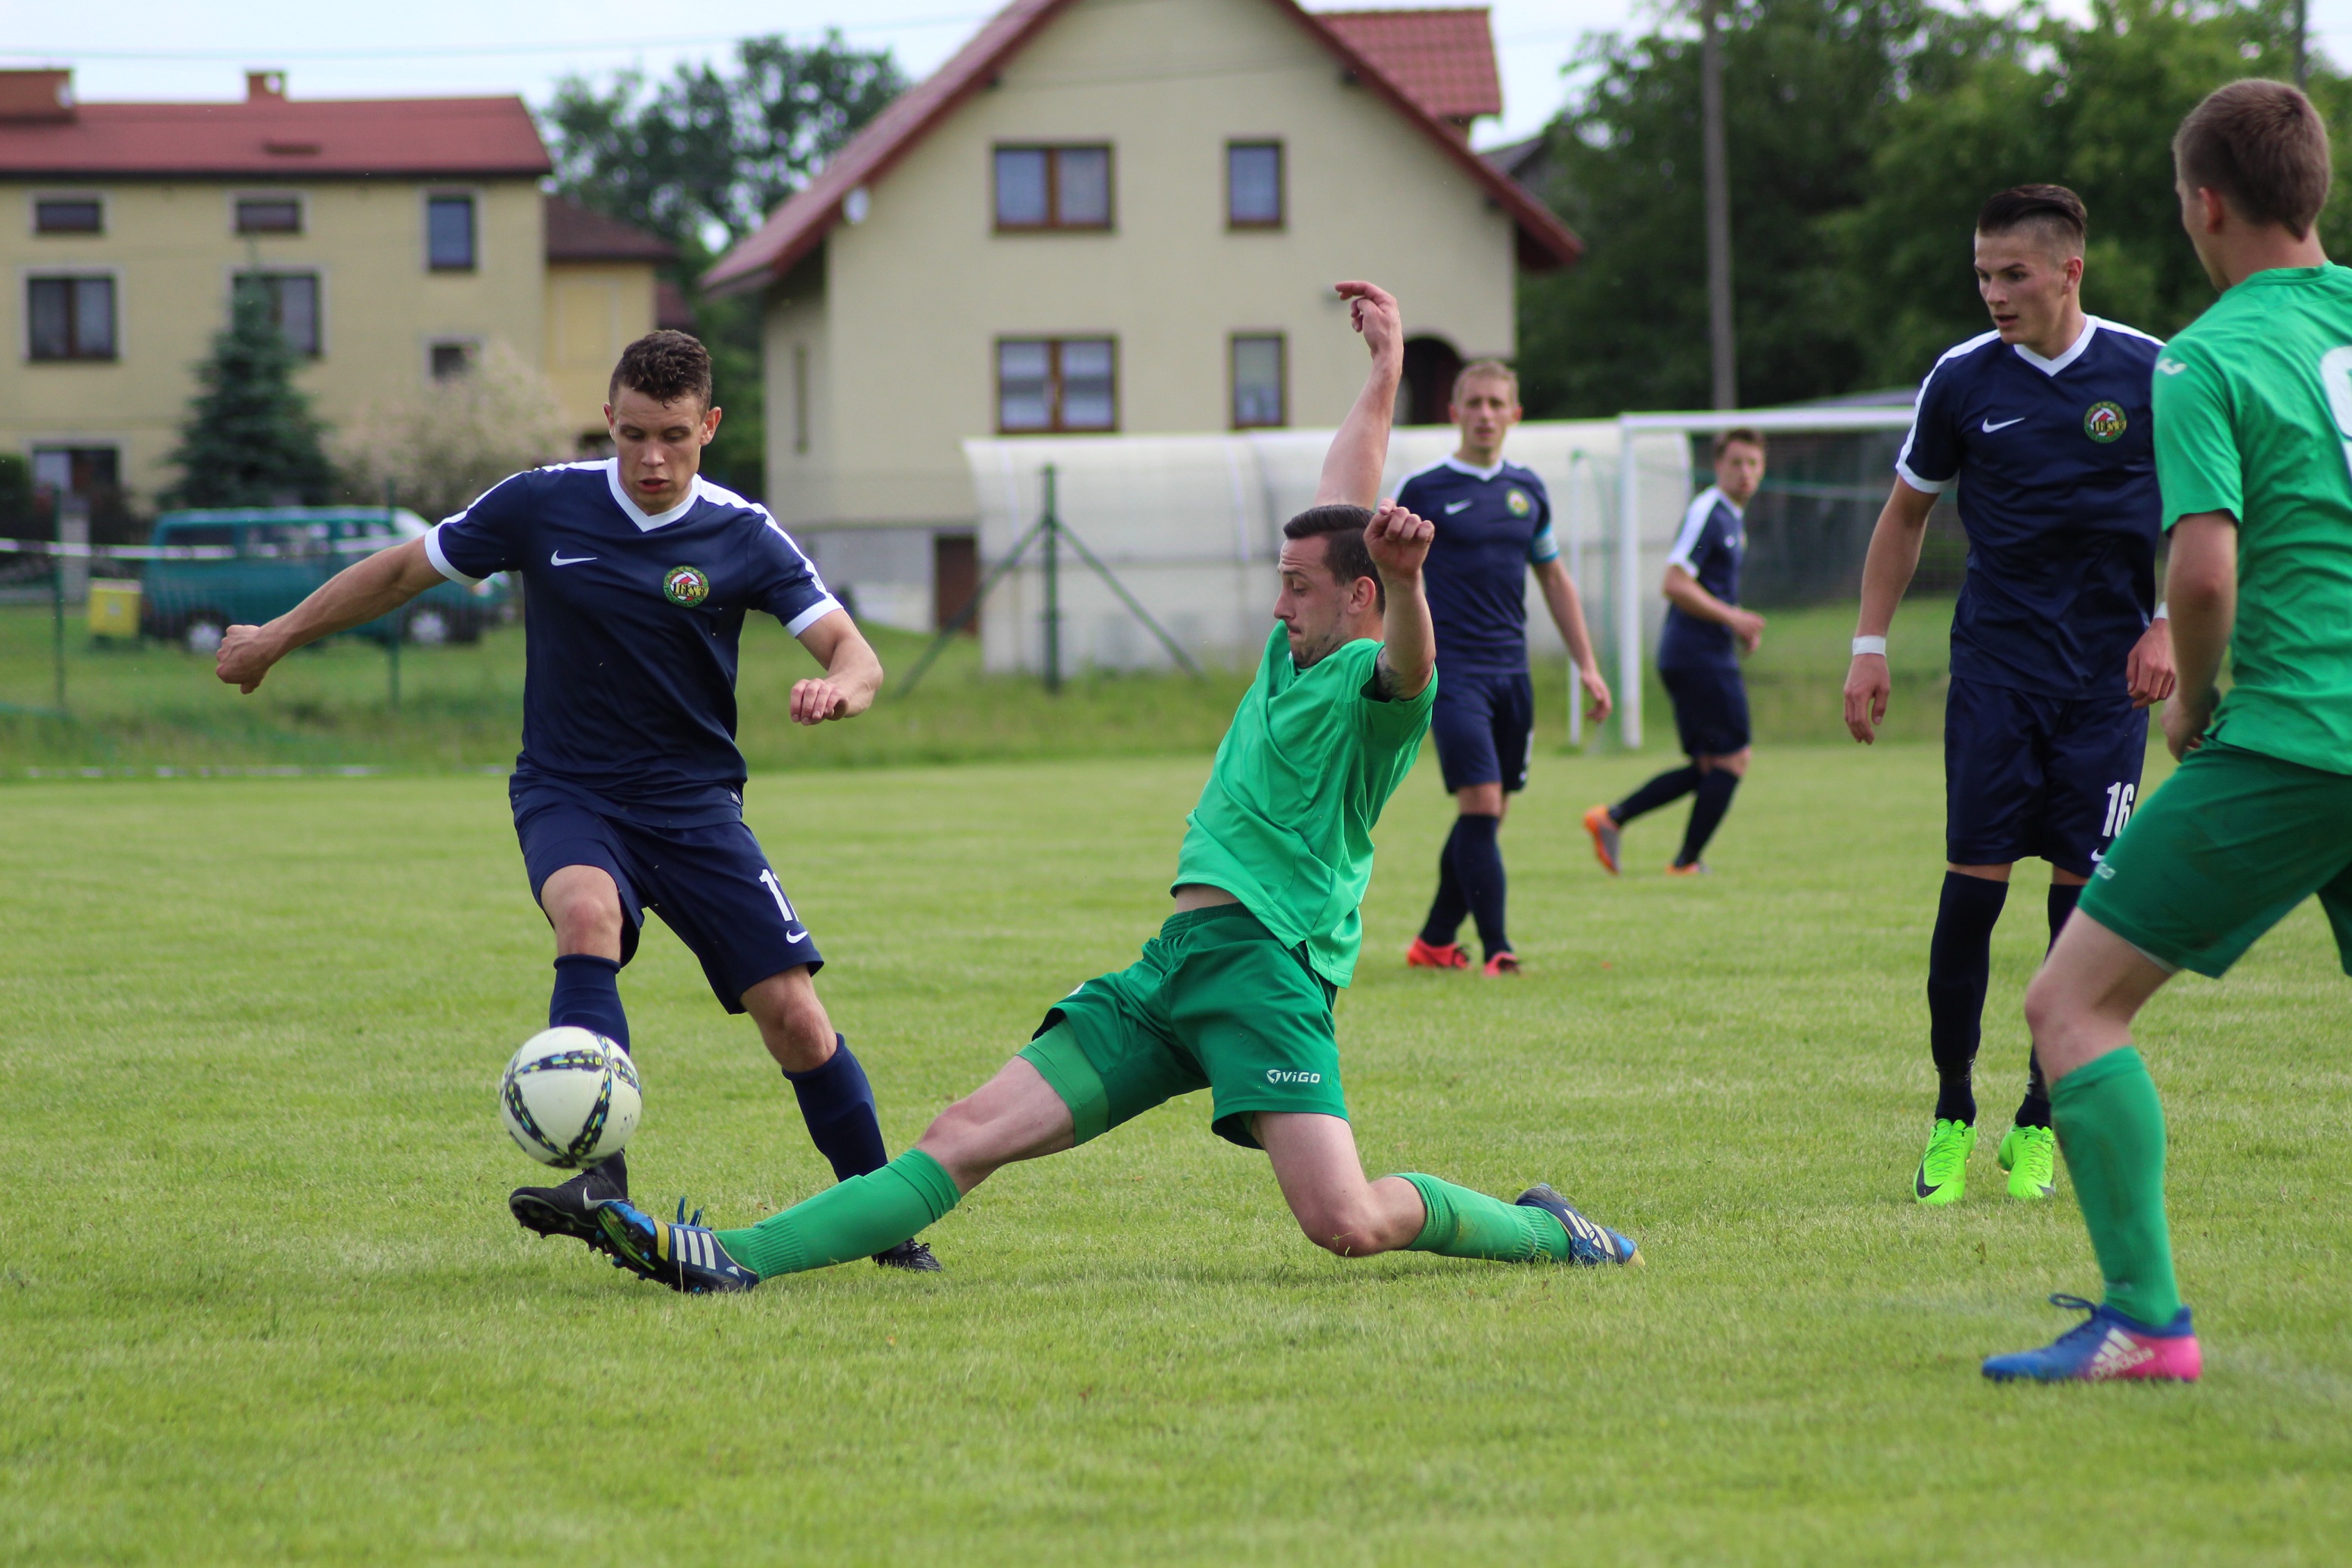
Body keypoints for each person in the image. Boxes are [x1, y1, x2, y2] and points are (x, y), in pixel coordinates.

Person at [578, 284, 1641, 1294]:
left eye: (1296, 587)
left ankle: (1550, 1231)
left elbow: (1410, 659)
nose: (1277, 607)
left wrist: (1408, 585)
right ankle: (724, 1253)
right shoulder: (1297, 649)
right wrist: (1386, 367)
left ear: (1357, 597)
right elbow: (1345, 493)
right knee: (962, 1133)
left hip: (1269, 975)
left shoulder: (1377, 680)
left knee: (1347, 1222)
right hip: (1177, 967)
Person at [213, 330, 939, 1271]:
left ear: (709, 426)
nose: (651, 457)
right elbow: (401, 570)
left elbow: (857, 651)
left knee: (795, 1018)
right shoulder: (540, 502)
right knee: (586, 913)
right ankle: (601, 1180)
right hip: (570, 788)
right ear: (607, 418)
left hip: (693, 806)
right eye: (632, 433)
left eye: (674, 435)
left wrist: (843, 686)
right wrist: (277, 635)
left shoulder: (743, 532)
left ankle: (886, 1227)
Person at [1986, 81, 2352, 1382]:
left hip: (2297, 737)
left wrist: (2193, 703)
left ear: (2203, 202)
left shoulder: (2204, 354)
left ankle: (2145, 1319)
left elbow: (2201, 575)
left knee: (2069, 1004)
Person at [1838, 187, 2174, 1211]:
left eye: (2010, 274)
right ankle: (1949, 1112)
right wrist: (1866, 643)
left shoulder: (2152, 371)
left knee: (2078, 911)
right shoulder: (1959, 378)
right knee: (1970, 894)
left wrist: (2165, 621)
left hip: (2104, 684)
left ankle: (2036, 1120)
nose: (1991, 292)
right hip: (1993, 671)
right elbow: (1904, 517)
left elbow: (2205, 512)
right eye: (1981, 274)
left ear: (2068, 270)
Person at [1401, 361, 1613, 977]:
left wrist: (1587, 666)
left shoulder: (1528, 490)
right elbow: (1389, 578)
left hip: (1510, 676)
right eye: (1475, 403)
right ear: (1455, 411)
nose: (1486, 414)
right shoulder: (1423, 490)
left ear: (1514, 414)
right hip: (1450, 674)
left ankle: (1435, 940)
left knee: (1487, 814)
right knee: (1480, 802)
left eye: (1498, 403)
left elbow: (1552, 576)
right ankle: (1498, 949)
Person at [1583, 429, 1765, 877]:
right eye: (1735, 463)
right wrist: (1733, 618)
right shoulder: (1710, 513)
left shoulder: (1731, 520)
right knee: (1734, 758)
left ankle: (1613, 818)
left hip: (1696, 651)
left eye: (1753, 464)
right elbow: (1676, 581)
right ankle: (1685, 862)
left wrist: (1733, 619)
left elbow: (1703, 585)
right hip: (1697, 654)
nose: (1744, 473)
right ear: (1718, 466)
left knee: (1708, 766)